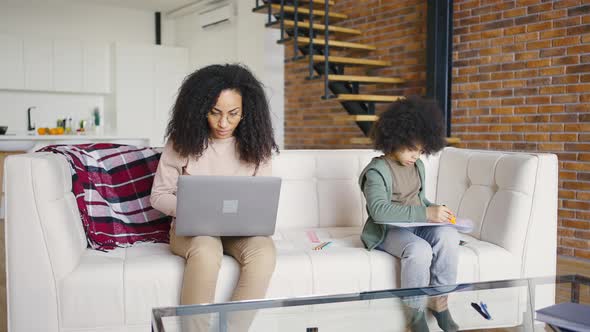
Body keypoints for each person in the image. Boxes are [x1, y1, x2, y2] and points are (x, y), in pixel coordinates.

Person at [150, 63, 279, 331]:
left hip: (239, 231)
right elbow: (159, 196)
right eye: (214, 113)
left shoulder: (258, 146)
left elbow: (261, 198)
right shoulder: (181, 141)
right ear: (199, 110)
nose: (223, 123)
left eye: (233, 114)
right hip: (192, 230)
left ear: (247, 112)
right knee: (207, 250)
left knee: (264, 252)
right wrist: (197, 210)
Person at [359, 96, 460, 332]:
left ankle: (439, 301)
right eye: (411, 149)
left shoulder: (418, 167)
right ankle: (415, 315)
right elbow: (379, 211)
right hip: (387, 230)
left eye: (421, 151)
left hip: (414, 225)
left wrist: (438, 211)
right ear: (395, 139)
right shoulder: (376, 171)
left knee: (449, 236)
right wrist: (426, 211)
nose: (416, 156)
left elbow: (419, 200)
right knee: (419, 250)